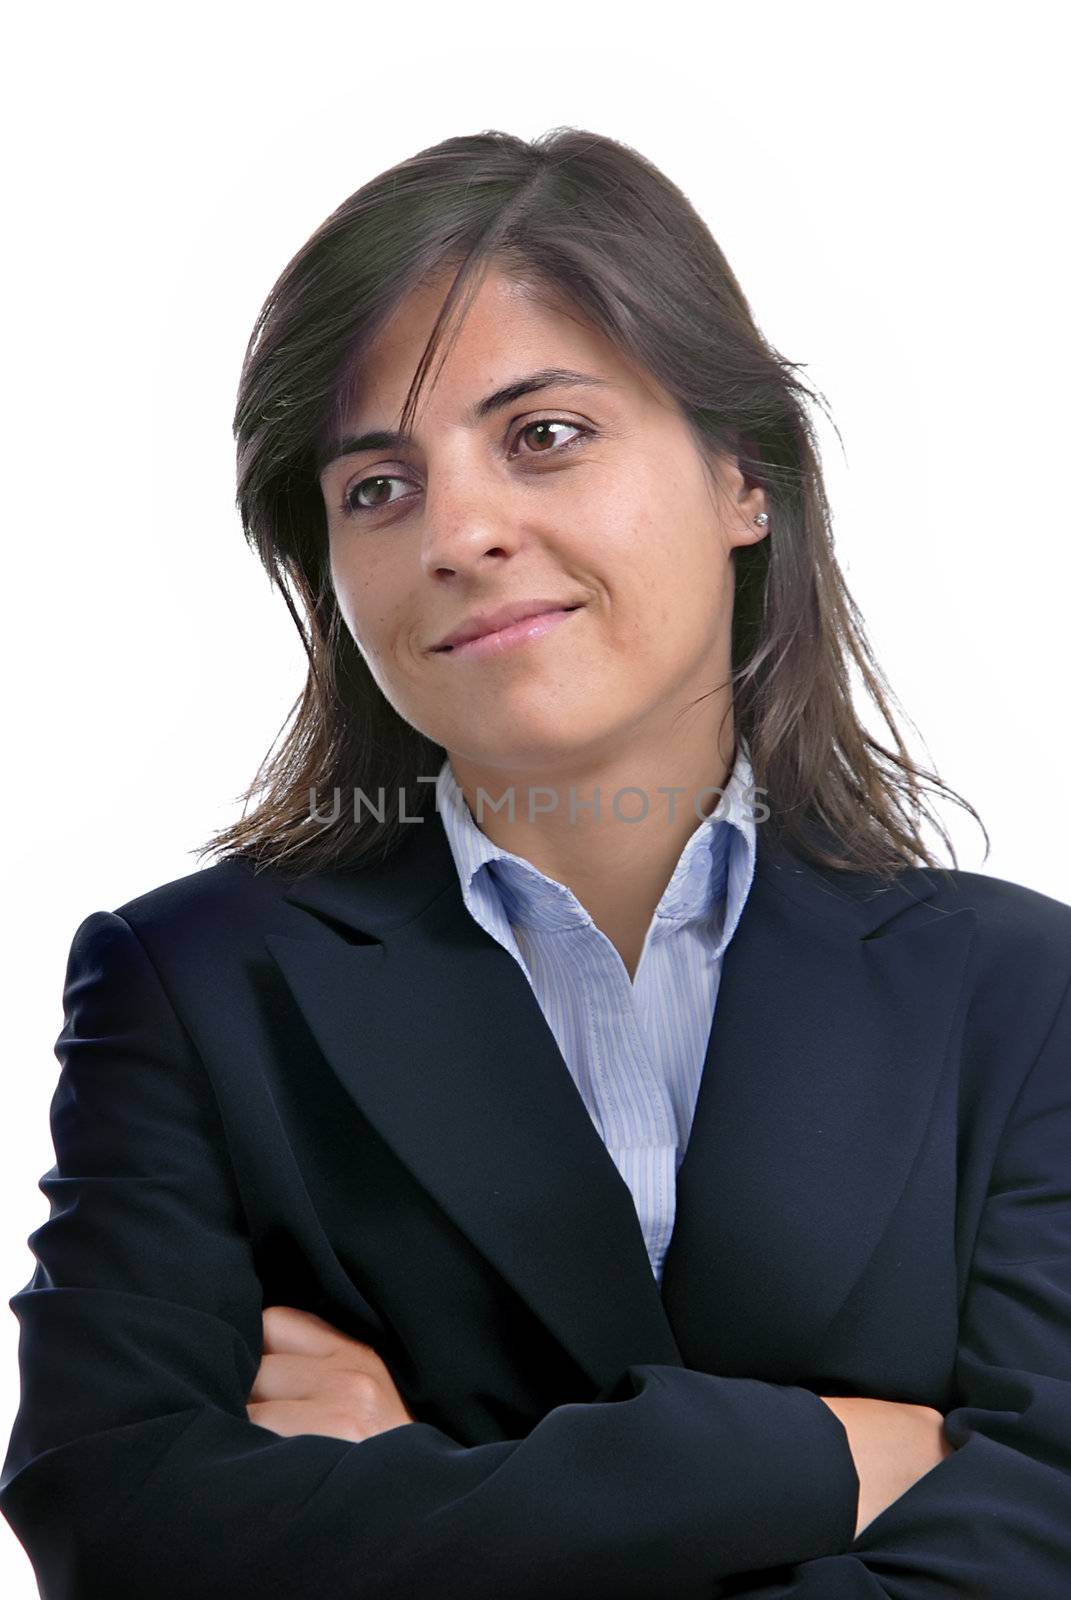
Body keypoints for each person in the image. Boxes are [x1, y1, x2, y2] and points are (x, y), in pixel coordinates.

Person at [3, 126, 1070, 1600]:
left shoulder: (1025, 995)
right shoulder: (190, 989)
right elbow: (114, 1529)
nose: (462, 531)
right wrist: (826, 1460)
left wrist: (419, 1485)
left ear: (741, 476)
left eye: (544, 435)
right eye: (376, 486)